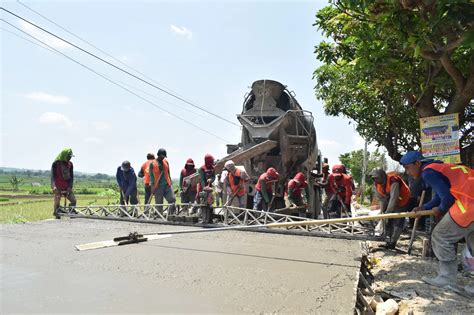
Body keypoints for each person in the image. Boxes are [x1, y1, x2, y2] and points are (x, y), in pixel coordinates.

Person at [400, 151, 473, 295]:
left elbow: (447, 198)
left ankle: (446, 277)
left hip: (469, 203)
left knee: (441, 235)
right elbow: (444, 194)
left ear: (418, 163)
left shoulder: (428, 171)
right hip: (470, 199)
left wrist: (440, 210)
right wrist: (425, 207)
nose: (407, 172)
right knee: (472, 242)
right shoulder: (439, 167)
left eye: (408, 167)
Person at [370, 167, 411, 249]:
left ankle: (393, 243)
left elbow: (394, 198)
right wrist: (382, 211)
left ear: (382, 176)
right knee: (387, 221)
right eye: (373, 178)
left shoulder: (393, 180)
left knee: (397, 221)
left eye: (377, 178)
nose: (375, 180)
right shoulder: (376, 184)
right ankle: (387, 240)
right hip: (389, 199)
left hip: (402, 200)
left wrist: (388, 212)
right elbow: (381, 198)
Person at [51, 148, 76, 219]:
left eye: (70, 156)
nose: (69, 158)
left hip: (67, 187)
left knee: (73, 200)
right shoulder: (55, 163)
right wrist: (53, 187)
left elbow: (71, 177)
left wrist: (70, 187)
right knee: (57, 201)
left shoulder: (70, 164)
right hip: (58, 187)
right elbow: (52, 176)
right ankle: (57, 216)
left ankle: (72, 214)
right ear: (64, 155)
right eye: (68, 156)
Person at [149, 148, 176, 214]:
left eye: (164, 156)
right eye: (162, 156)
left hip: (167, 184)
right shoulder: (152, 163)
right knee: (159, 203)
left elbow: (168, 173)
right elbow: (151, 175)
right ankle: (159, 216)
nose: (163, 158)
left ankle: (171, 215)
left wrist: (170, 182)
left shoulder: (166, 162)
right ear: (158, 155)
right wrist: (152, 186)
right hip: (158, 186)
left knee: (172, 199)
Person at [197, 154, 216, 223]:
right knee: (203, 204)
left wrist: (211, 179)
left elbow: (214, 176)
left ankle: (210, 219)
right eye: (211, 160)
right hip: (203, 188)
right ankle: (204, 219)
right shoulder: (201, 169)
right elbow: (202, 179)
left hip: (210, 188)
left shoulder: (213, 168)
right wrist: (204, 187)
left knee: (210, 204)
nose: (212, 161)